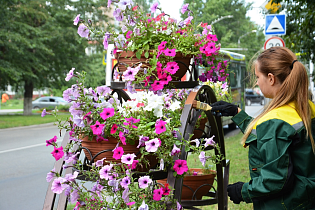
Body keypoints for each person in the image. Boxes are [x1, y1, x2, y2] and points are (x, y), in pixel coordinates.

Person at [211, 47, 315, 209]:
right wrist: (237, 113)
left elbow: (276, 180)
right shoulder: (305, 106)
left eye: (258, 77)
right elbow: (272, 135)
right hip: (305, 200)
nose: (257, 82)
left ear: (271, 78)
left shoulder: (275, 120)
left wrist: (242, 190)